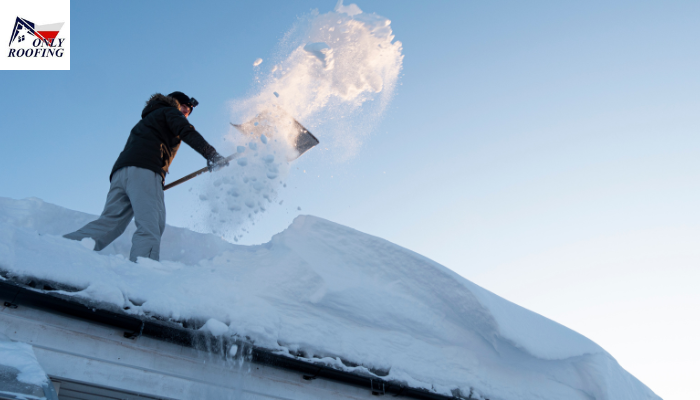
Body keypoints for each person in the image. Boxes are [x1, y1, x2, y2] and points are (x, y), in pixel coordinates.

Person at [64, 91, 228, 262]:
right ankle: (143, 272)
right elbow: (186, 131)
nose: (186, 112)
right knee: (152, 225)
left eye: (189, 111)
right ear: (174, 103)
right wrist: (212, 155)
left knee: (110, 224)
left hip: (122, 173)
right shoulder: (170, 112)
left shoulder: (147, 120)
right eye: (185, 107)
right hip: (145, 171)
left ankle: (60, 249)